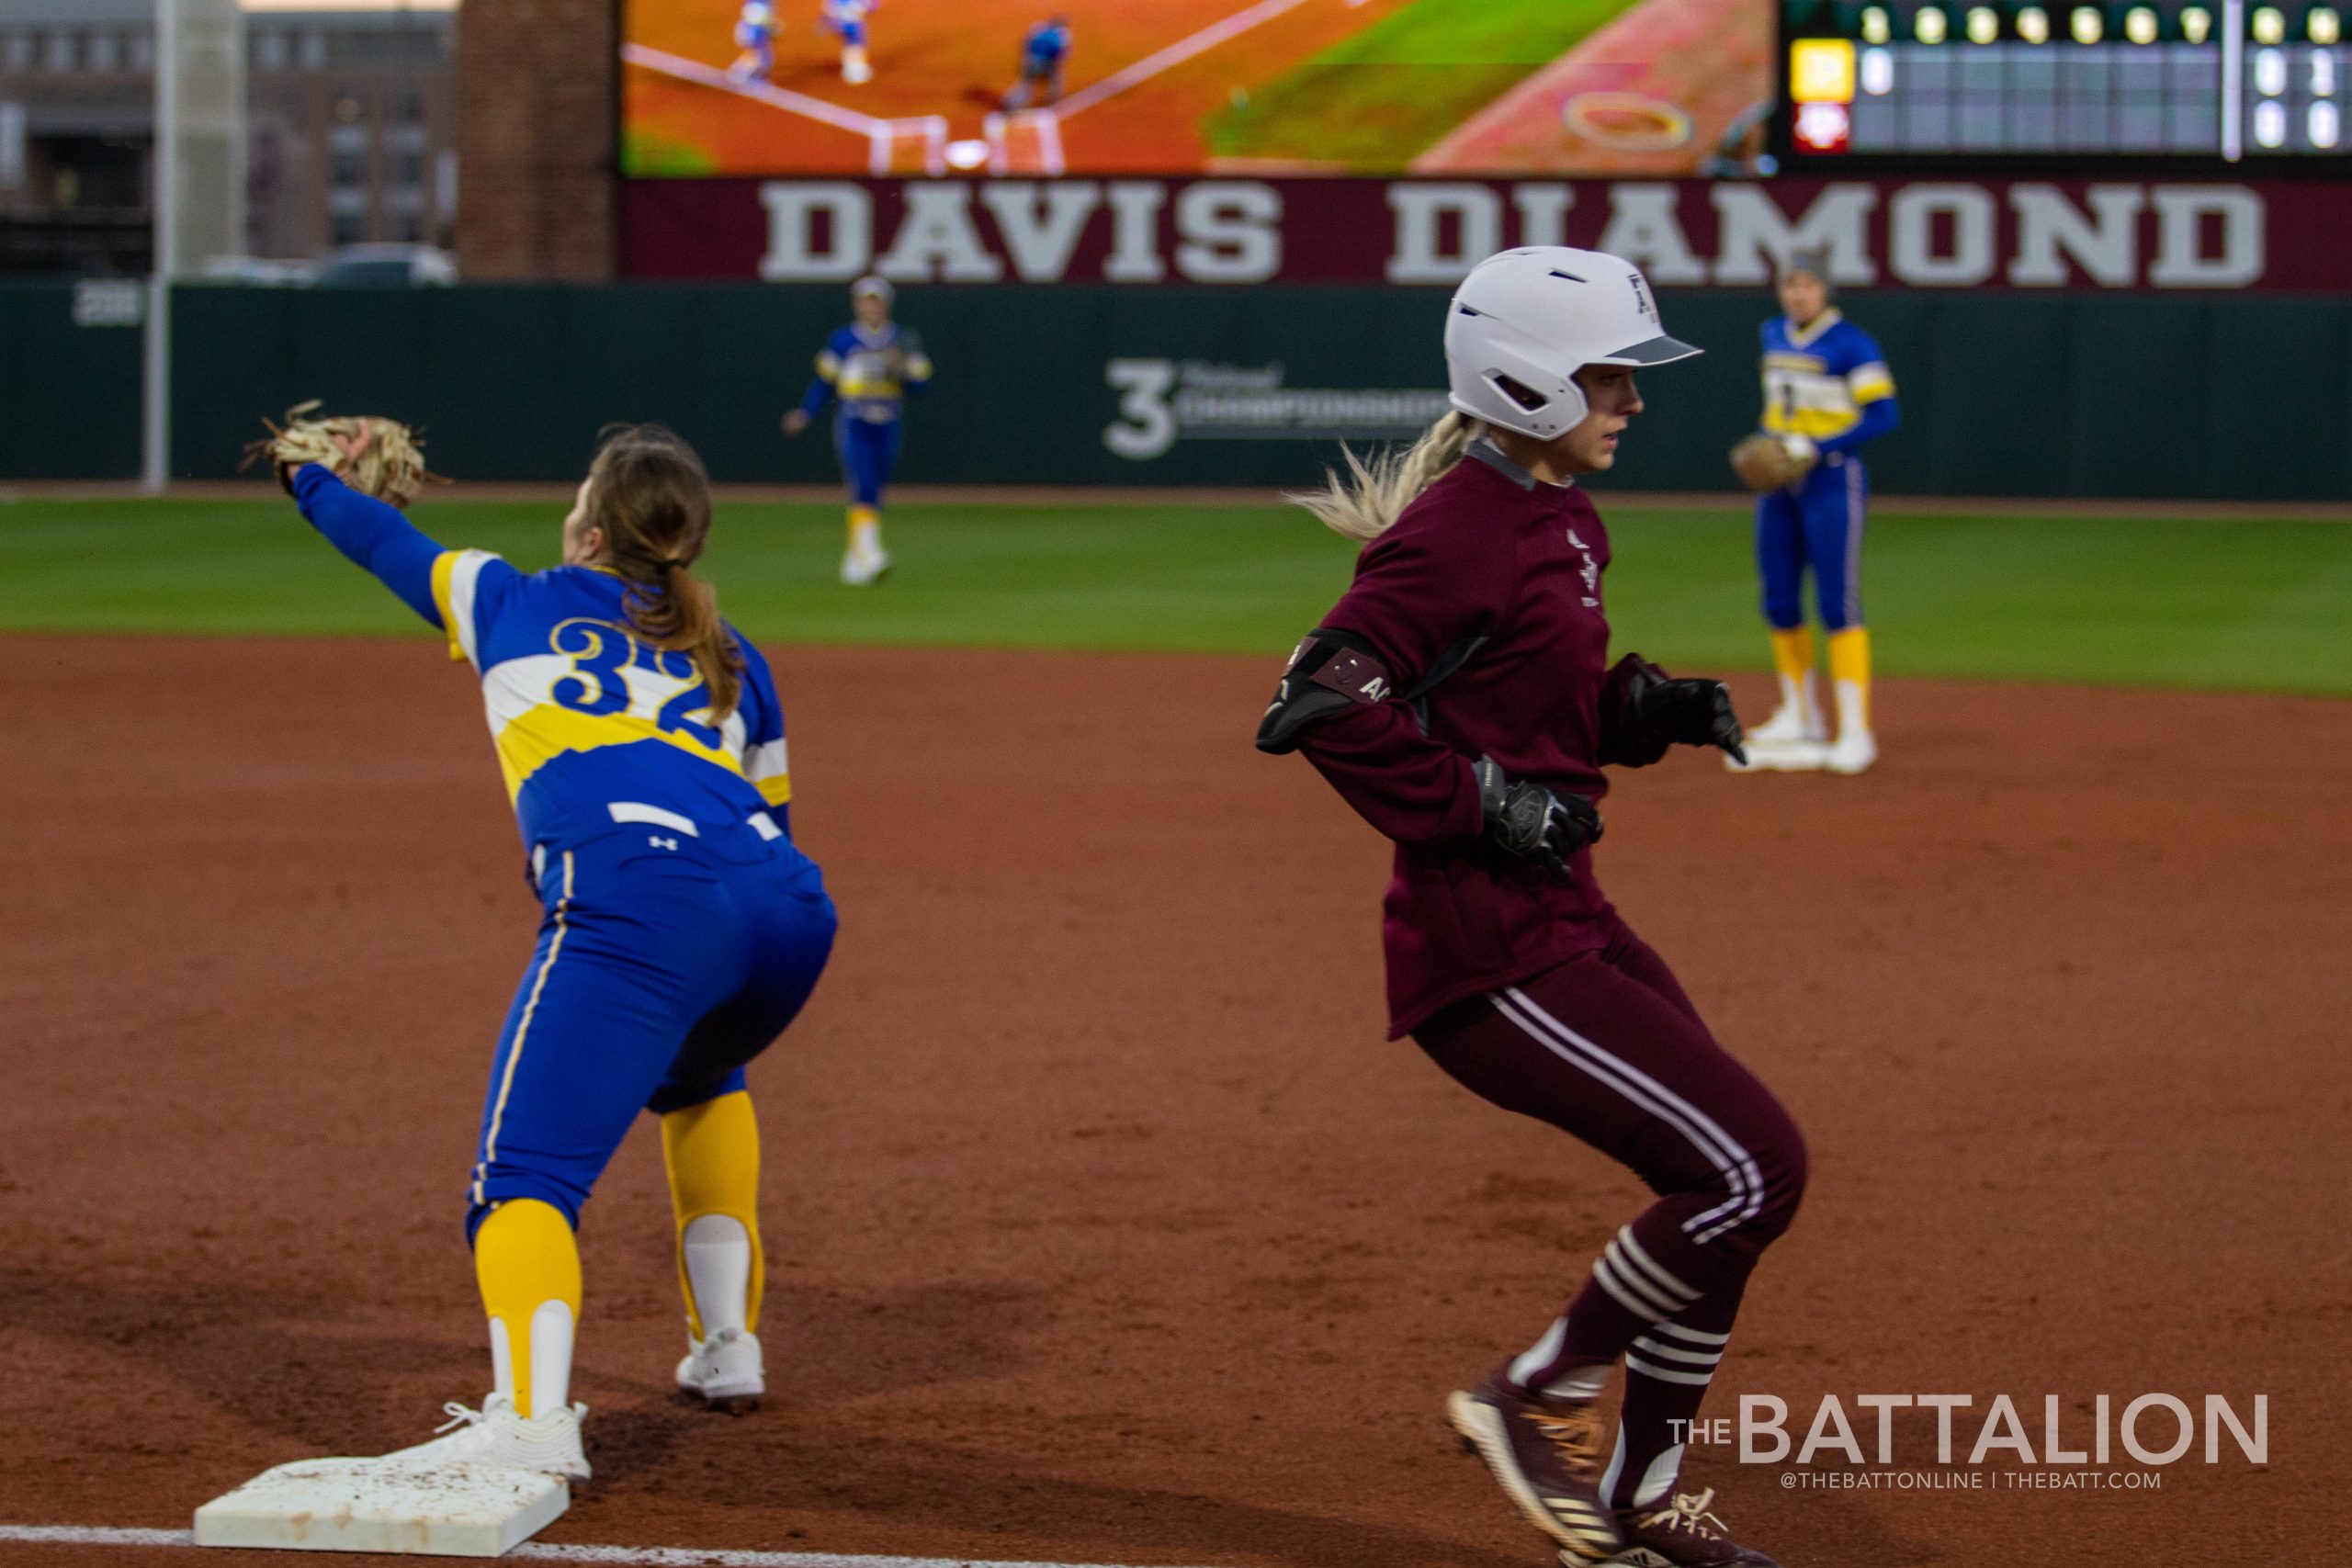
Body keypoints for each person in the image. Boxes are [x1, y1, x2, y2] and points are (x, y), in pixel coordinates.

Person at [1259, 248, 1801, 1568]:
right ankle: (1530, 1393)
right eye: (1609, 371)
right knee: (1749, 1166)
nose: (1632, 396)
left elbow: (1525, 694)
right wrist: (1481, 804)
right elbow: (1324, 694)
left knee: (1725, 1190)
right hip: (1488, 948)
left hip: (1564, 911)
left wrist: (1642, 708)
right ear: (1528, 376)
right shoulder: (1458, 525)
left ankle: (1641, 1502)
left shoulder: (1558, 512)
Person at [281, 423, 838, 1477]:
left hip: (638, 901)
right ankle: (729, 1348)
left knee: (522, 1179)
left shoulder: (510, 598)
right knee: (705, 1076)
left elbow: (375, 539)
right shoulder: (735, 654)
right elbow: (778, 822)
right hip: (787, 913)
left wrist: (302, 472)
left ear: (587, 530)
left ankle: (530, 1423)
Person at [1734, 251, 1898, 775]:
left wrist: (1820, 444)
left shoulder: (1852, 344)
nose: (1798, 293)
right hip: (1781, 482)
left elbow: (1884, 415)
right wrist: (1772, 441)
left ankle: (1855, 729)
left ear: (1826, 289)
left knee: (1836, 599)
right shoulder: (1773, 334)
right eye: (1790, 283)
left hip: (1831, 479)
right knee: (1779, 596)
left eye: (1807, 284)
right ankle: (1800, 714)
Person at [783, 274, 932, 586]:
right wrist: (806, 412)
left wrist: (899, 368)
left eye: (877, 302)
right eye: (866, 301)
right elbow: (825, 383)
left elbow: (921, 386)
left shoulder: (903, 339)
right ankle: (870, 554)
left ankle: (854, 563)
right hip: (855, 420)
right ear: (857, 305)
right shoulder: (844, 341)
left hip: (888, 420)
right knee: (863, 483)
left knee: (875, 487)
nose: (871, 308)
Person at [1001, 15, 1073, 110]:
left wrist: (1026, 59)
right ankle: (1054, 103)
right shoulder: (1063, 35)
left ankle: (1010, 104)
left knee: (1026, 85)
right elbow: (1061, 56)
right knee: (1057, 78)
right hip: (1045, 64)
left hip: (1029, 62)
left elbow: (1024, 44)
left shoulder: (1038, 28)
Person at [822, 0, 876, 84]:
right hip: (853, 24)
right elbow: (869, 7)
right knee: (856, 46)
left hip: (840, 24)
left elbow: (828, 10)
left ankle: (849, 69)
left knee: (849, 45)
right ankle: (855, 71)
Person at [727, 0, 778, 85]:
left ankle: (738, 72)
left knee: (755, 56)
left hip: (747, 30)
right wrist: (773, 28)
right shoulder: (761, 4)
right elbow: (761, 18)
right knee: (764, 59)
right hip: (754, 32)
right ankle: (742, 77)